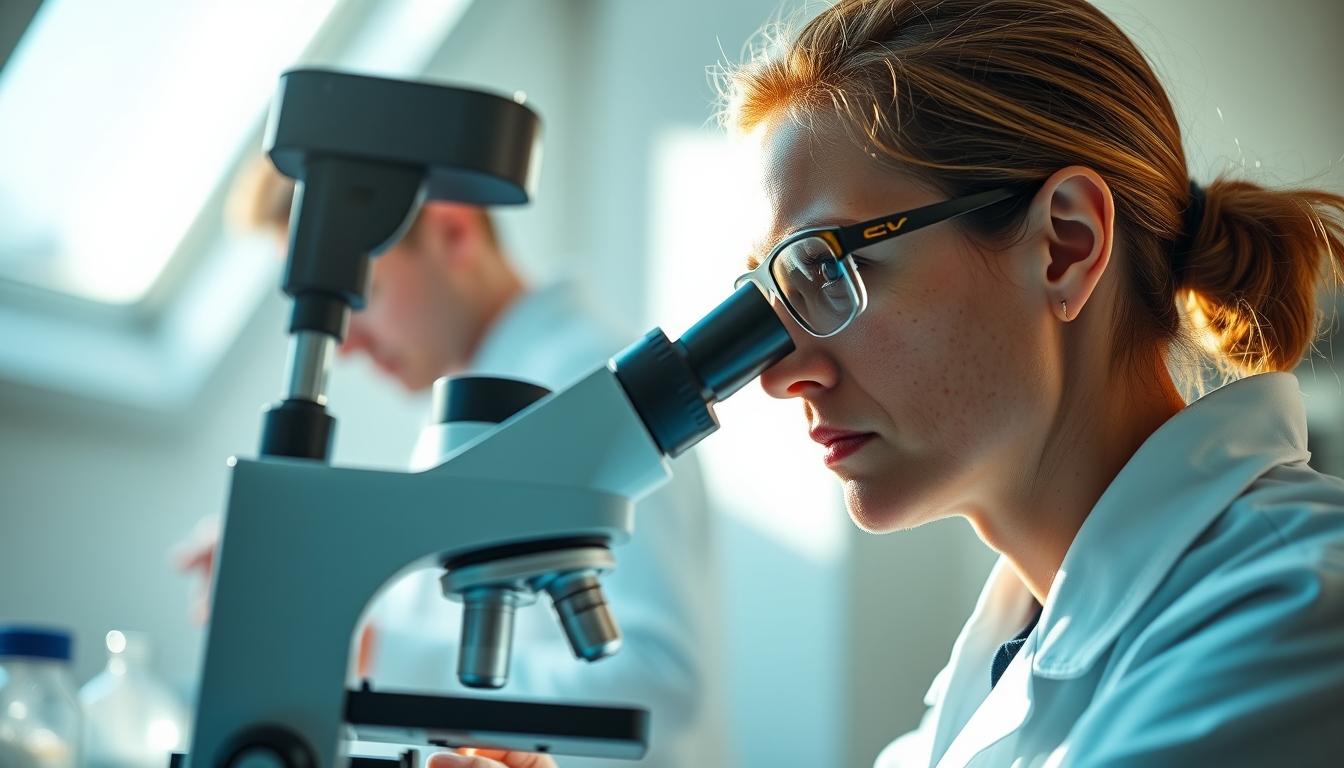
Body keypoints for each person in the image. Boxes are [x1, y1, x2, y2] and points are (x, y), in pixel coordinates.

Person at [440, 0, 1344, 766]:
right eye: (765, 300)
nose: (782, 374)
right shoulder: (992, 670)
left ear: (1066, 244)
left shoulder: (1294, 607)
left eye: (826, 273)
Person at [183, 167, 730, 768]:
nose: (344, 345)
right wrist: (303, 577)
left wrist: (371, 648)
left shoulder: (584, 384)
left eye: (362, 297)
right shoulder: (464, 404)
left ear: (452, 230)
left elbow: (660, 684)